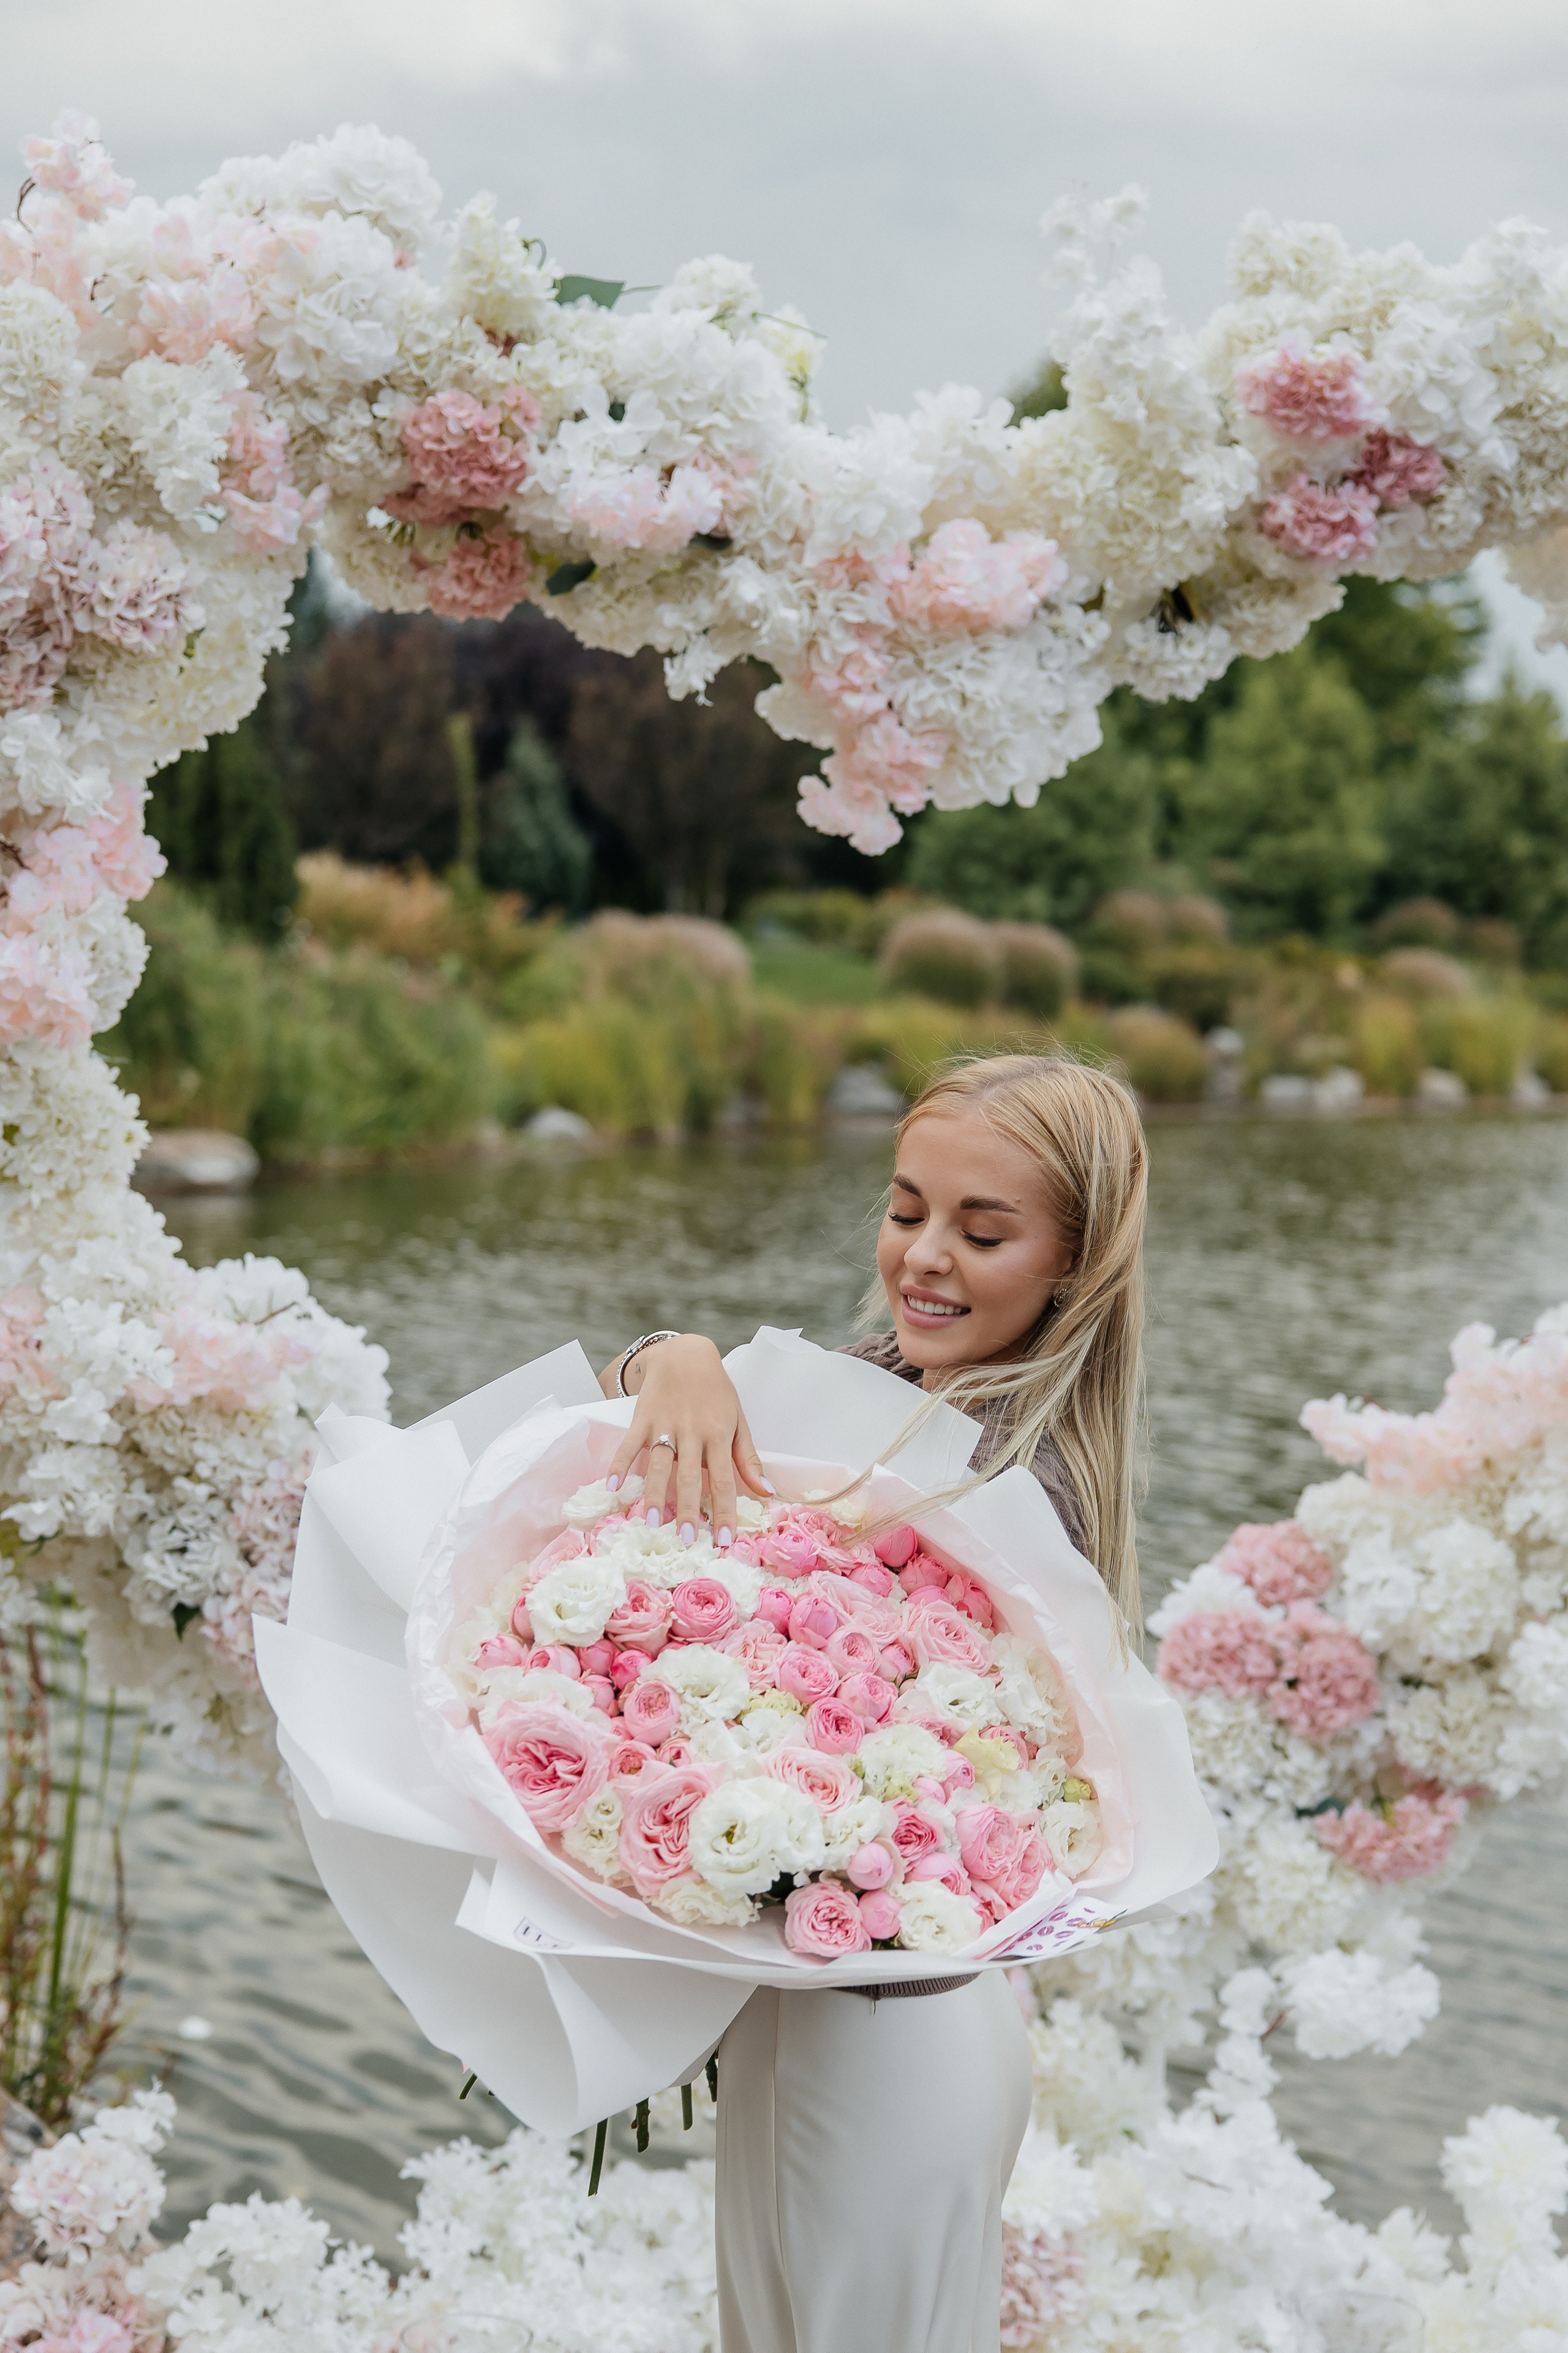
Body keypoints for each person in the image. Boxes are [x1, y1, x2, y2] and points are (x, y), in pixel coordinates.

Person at [597, 1054, 1149, 2353]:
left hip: (900, 2037)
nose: (926, 1259)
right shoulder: (871, 1386)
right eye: (907, 1211)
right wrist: (666, 1359)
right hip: (801, 2012)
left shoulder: (1022, 1488)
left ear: (1070, 1262)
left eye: (983, 1229)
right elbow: (675, 1455)